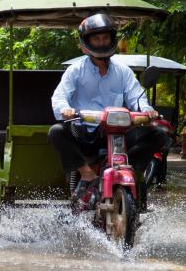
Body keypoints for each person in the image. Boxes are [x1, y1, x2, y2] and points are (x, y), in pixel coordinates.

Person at [48, 13, 159, 210]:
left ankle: (132, 172)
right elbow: (59, 97)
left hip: (117, 133)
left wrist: (147, 111)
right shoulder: (75, 70)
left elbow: (137, 97)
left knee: (157, 134)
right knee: (56, 132)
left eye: (105, 37)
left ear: (112, 39)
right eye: (96, 39)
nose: (102, 42)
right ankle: (87, 173)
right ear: (86, 42)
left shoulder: (123, 71)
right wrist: (65, 109)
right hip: (85, 133)